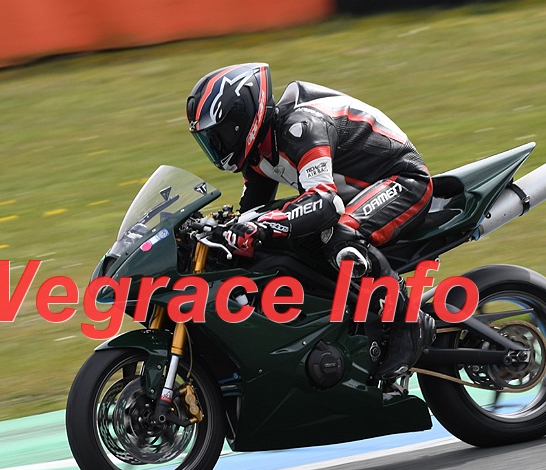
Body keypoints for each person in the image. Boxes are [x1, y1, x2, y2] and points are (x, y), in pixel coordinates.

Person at [185, 62, 435, 384]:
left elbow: (324, 203)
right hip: (355, 195)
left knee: (340, 235)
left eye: (219, 135)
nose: (217, 146)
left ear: (241, 120)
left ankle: (409, 323)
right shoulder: (258, 155)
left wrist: (264, 226)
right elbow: (250, 214)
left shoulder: (301, 127)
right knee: (276, 244)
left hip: (403, 180)